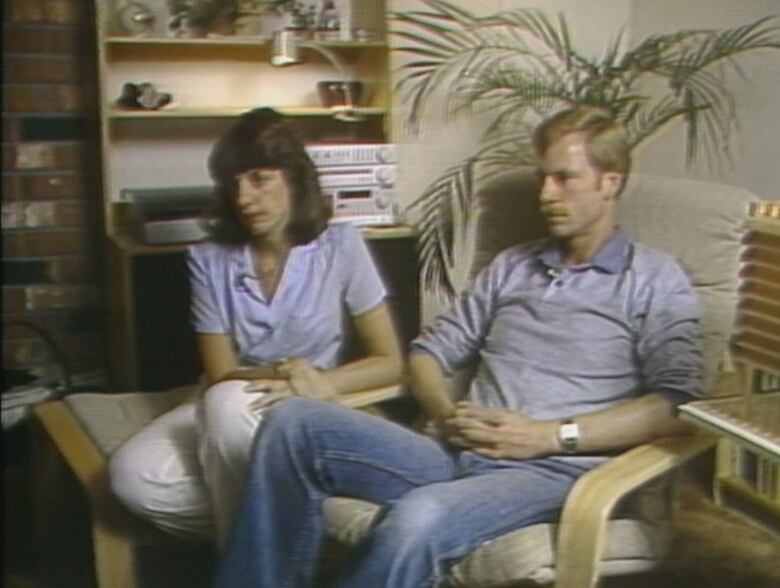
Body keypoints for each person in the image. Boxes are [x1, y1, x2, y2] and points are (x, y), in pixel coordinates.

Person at [214, 106, 704, 587]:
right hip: (455, 450)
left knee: (418, 517)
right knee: (292, 420)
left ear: (610, 182)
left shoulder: (655, 280)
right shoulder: (514, 266)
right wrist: (445, 413)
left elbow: (678, 405)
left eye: (564, 178)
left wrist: (549, 435)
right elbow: (429, 353)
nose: (545, 194)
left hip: (551, 472)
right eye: (542, 179)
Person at [108, 108, 403, 546]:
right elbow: (223, 371)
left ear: (294, 180)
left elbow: (390, 363)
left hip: (310, 402)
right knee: (133, 476)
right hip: (235, 401)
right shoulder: (209, 258)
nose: (243, 197)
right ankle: (294, 527)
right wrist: (283, 374)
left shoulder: (341, 245)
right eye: (233, 183)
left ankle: (249, 567)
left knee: (225, 406)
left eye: (259, 179)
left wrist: (317, 382)